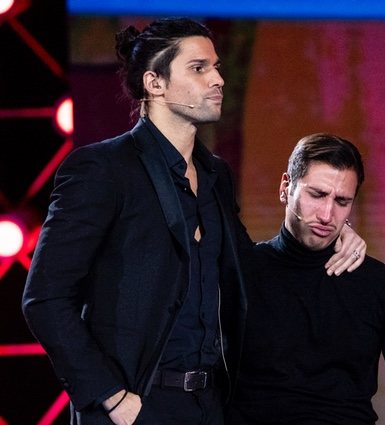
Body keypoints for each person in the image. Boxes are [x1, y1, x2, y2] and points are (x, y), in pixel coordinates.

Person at [22, 18, 365, 425]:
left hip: (209, 404)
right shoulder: (103, 169)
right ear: (155, 83)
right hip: (137, 407)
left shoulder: (215, 175)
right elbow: (45, 298)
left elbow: (249, 270)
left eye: (216, 67)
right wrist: (111, 397)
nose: (218, 79)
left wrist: (329, 231)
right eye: (199, 68)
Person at [226, 133, 385, 425]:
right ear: (286, 187)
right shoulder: (240, 272)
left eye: (342, 201)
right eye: (318, 195)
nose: (327, 215)